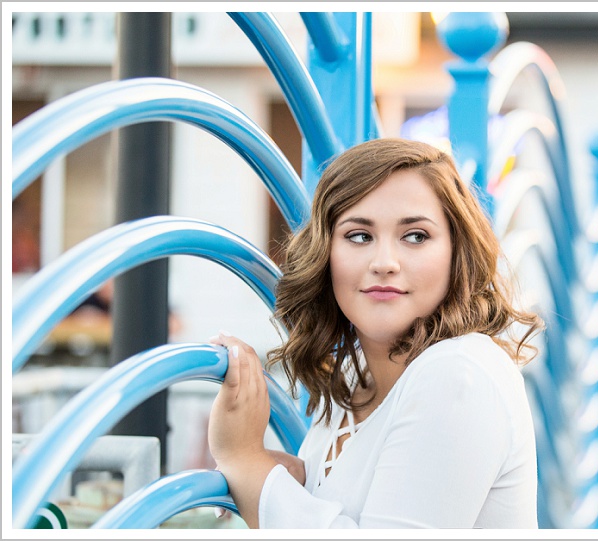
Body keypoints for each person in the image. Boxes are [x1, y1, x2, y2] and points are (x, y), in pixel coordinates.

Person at [208, 138, 544, 529]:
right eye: (359, 236)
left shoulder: (458, 374)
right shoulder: (357, 377)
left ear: (456, 253)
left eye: (416, 236)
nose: (385, 262)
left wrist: (244, 463)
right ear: (326, 253)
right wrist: (295, 479)